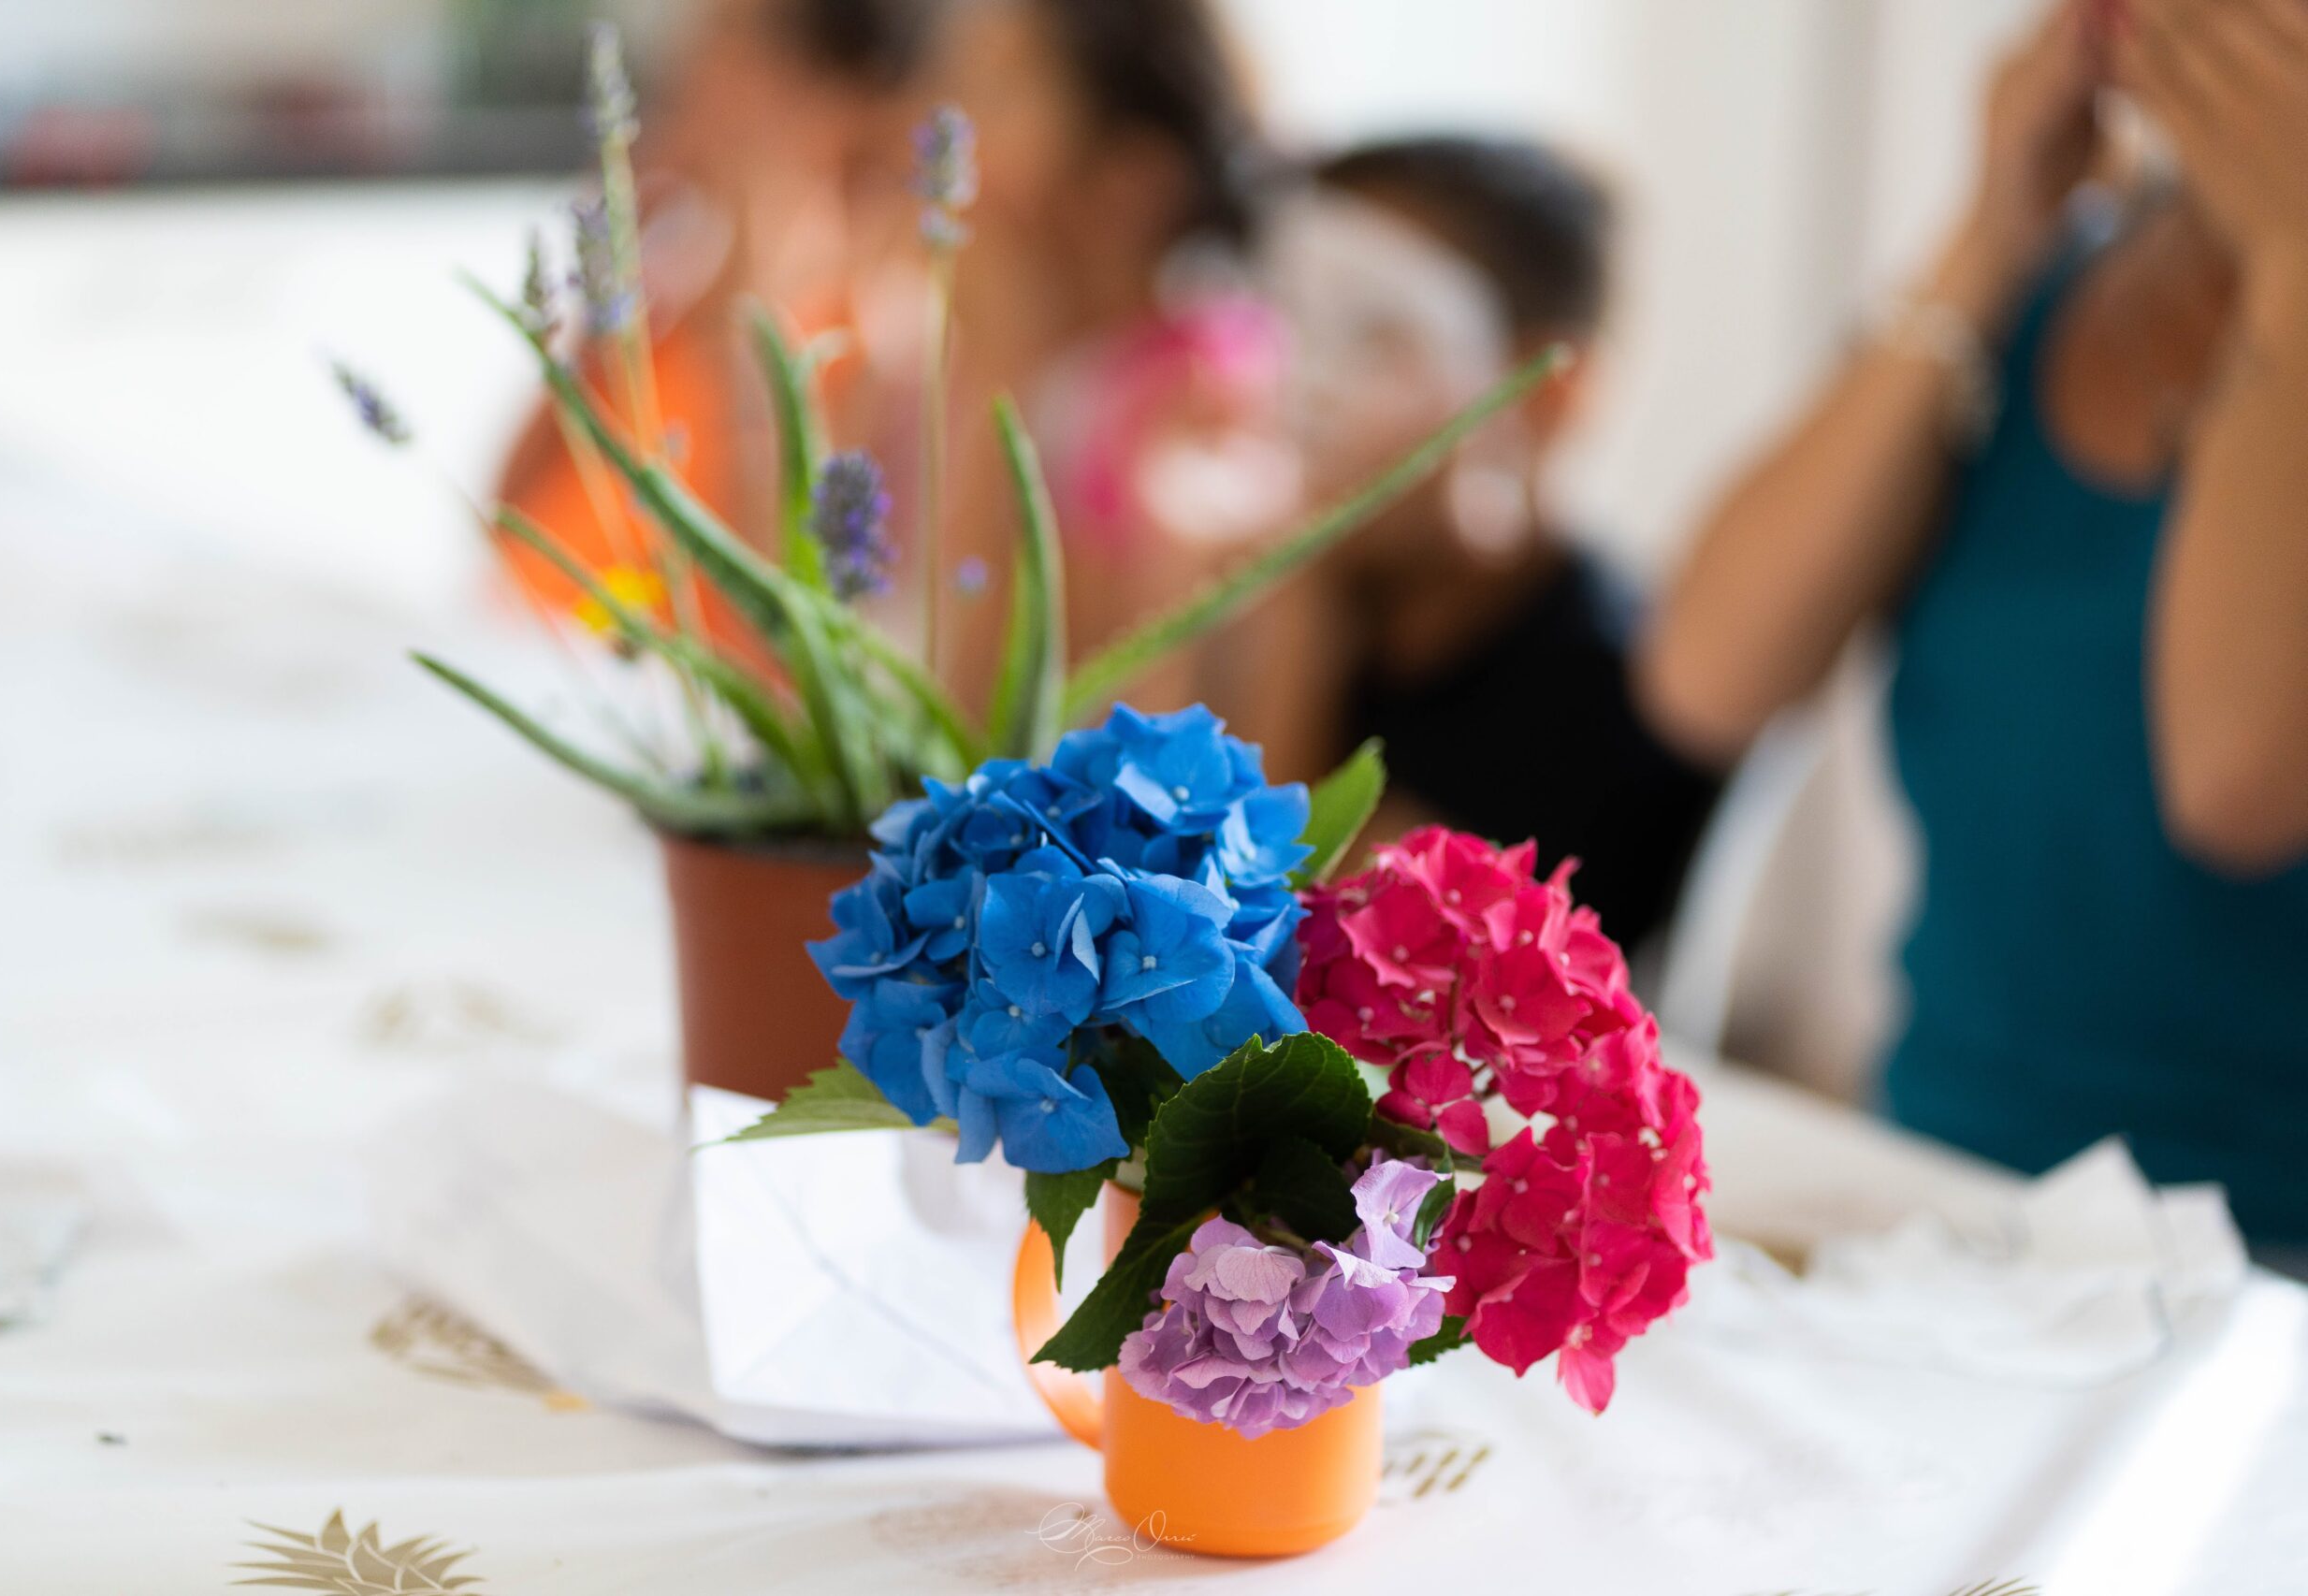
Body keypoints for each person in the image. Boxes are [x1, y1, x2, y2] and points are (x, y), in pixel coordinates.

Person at [1637, 0, 2308, 1246]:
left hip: (2266, 1264)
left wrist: (2295, 252)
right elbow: (1706, 677)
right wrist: (1986, 232)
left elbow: (2237, 783)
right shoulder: (2047, 285)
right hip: (1935, 1190)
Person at [1238, 136, 1727, 952]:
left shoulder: (1611, 697)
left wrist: (1293, 621)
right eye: (1284, 322)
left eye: (1375, 342)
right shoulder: (1323, 603)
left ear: (1542, 396)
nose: (1301, 389)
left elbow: (1297, 952)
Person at [494, 0, 948, 629]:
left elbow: (789, 614)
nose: (692, 77)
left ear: (837, 100)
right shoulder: (665, 297)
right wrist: (606, 285)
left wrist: (752, 293)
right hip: (538, 650)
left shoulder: (871, 333)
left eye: (735, 51)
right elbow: (506, 523)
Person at [919, 0, 1297, 711]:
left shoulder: (1188, 404)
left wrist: (1004, 372)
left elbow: (979, 719)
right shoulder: (1064, 369)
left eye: (999, 92)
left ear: (1133, 179)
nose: (950, 133)